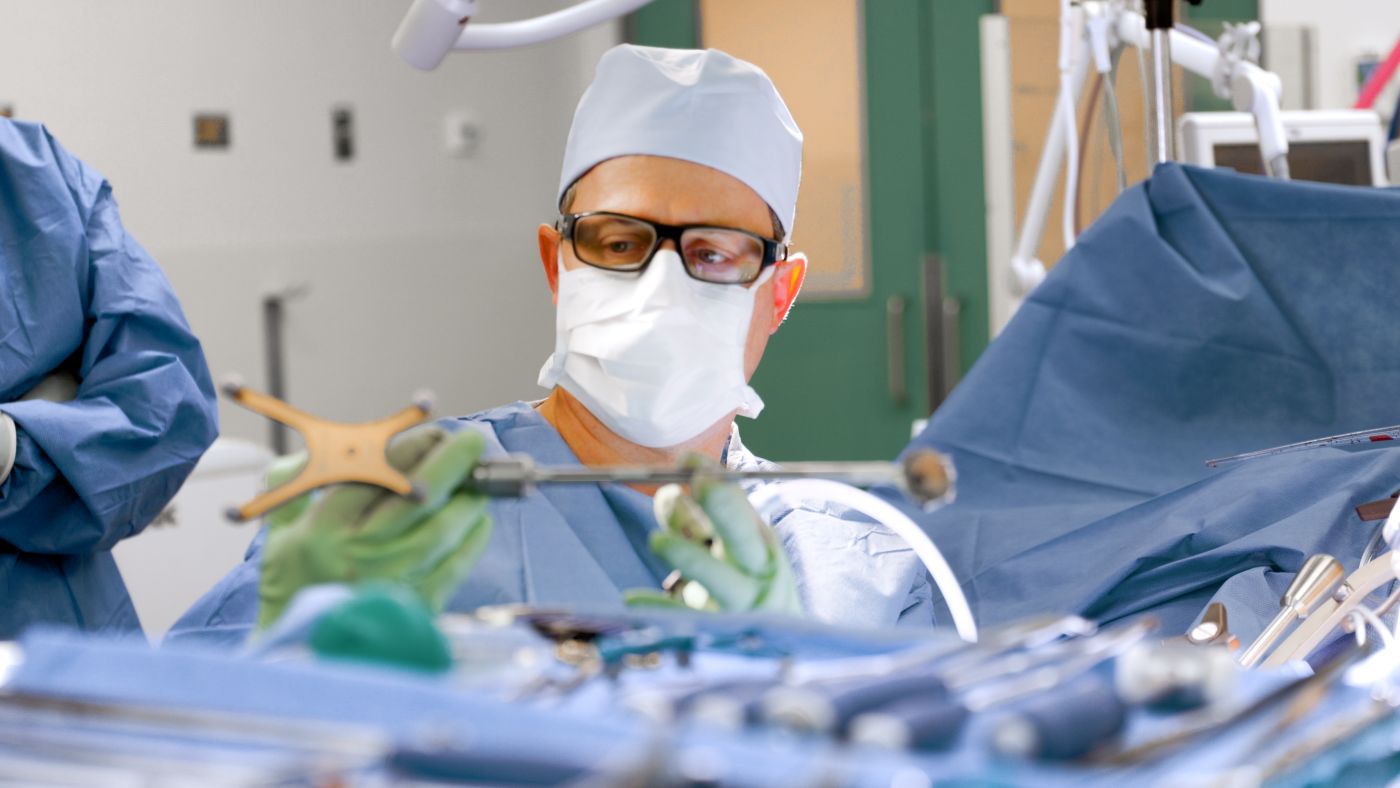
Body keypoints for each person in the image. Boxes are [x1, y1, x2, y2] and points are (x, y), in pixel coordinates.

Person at [170, 45, 932, 645]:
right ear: (556, 262)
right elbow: (171, 735)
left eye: (713, 253)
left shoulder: (858, 564)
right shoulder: (397, 509)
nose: (660, 284)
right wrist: (293, 644)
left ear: (781, 293)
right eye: (619, 241)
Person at [0, 118, 219, 638]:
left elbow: (164, 407)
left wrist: (14, 449)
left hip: (46, 647)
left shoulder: (32, 175)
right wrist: (57, 414)